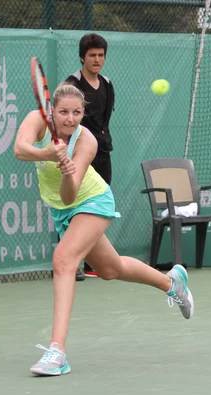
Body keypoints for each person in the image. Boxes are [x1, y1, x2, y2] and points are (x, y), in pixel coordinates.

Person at [14, 83, 193, 376]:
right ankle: (172, 282)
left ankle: (57, 352)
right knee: (111, 269)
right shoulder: (37, 120)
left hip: (92, 201)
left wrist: (67, 171)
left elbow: (70, 195)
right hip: (62, 210)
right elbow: (20, 150)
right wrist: (49, 154)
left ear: (83, 113)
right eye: (63, 112)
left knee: (63, 260)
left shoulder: (87, 142)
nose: (70, 119)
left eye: (76, 112)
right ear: (52, 111)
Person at [66, 33, 115, 281]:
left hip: (102, 154)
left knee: (96, 208)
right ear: (82, 57)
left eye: (101, 55)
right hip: (79, 154)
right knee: (74, 206)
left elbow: (104, 122)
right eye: (92, 55)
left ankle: (91, 263)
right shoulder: (72, 85)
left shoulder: (107, 84)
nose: (97, 60)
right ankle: (71, 262)